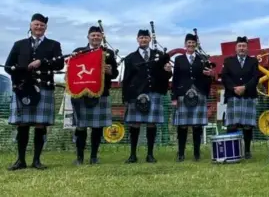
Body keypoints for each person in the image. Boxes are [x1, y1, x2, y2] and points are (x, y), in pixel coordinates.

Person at [4, 13, 64, 170]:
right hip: (23, 89)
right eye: (36, 24)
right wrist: (19, 81)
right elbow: (9, 66)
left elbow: (59, 64)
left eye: (42, 25)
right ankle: (21, 160)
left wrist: (42, 62)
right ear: (30, 26)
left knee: (40, 124)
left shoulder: (53, 45)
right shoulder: (19, 44)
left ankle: (37, 160)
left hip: (44, 87)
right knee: (22, 124)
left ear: (46, 27)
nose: (39, 27)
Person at [122, 29, 172, 163]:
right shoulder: (130, 58)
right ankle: (132, 155)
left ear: (150, 39)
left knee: (151, 123)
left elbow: (165, 76)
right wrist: (126, 98)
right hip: (136, 94)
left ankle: (150, 154)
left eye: (146, 38)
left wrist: (168, 71)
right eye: (141, 38)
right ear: (137, 40)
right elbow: (126, 79)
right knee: (135, 124)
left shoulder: (159, 55)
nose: (143, 40)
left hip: (154, 92)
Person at [71, 26, 118, 165]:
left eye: (98, 35)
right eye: (93, 35)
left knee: (97, 127)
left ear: (101, 37)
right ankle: (79, 157)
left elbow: (114, 74)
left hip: (101, 93)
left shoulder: (108, 53)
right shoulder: (79, 52)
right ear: (88, 37)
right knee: (81, 127)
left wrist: (109, 71)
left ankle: (93, 157)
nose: (96, 37)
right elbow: (71, 69)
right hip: (82, 93)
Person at [171, 33, 214, 162]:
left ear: (196, 44)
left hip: (199, 93)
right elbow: (175, 79)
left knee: (197, 125)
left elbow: (208, 76)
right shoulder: (179, 59)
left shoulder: (202, 58)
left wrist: (210, 75)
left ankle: (196, 153)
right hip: (183, 94)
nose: (190, 44)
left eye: (193, 42)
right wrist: (174, 97)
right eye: (188, 42)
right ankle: (181, 153)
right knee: (182, 126)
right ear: (185, 44)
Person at [221, 36, 259, 159]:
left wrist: (245, 87)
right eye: (239, 46)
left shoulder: (253, 61)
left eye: (244, 46)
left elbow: (255, 77)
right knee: (232, 124)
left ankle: (247, 151)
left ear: (247, 48)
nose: (242, 48)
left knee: (248, 125)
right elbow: (225, 77)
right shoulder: (228, 61)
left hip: (248, 95)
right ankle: (232, 151)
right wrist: (234, 88)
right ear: (236, 48)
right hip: (233, 95)